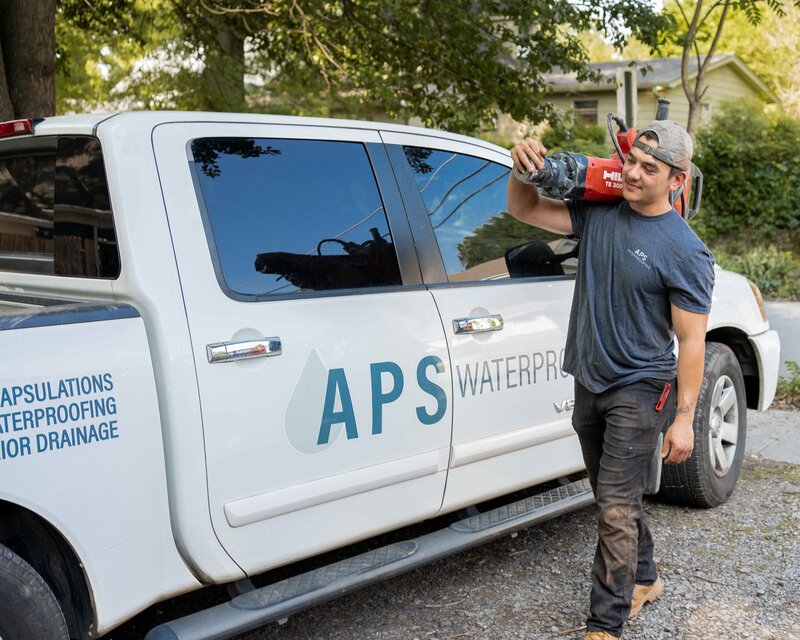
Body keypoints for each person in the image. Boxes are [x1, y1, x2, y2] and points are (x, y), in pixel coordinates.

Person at [506, 121, 714, 639]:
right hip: (590, 378)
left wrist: (685, 419)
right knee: (611, 497)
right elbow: (525, 209)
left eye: (650, 168)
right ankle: (645, 577)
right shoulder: (599, 211)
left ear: (677, 180)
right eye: (632, 161)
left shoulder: (685, 250)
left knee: (615, 508)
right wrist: (520, 171)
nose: (634, 173)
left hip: (642, 387)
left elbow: (691, 342)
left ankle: (606, 624)